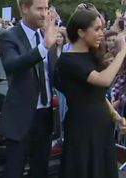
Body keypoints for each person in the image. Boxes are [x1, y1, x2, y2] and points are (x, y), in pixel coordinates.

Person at [54, 10, 126, 178]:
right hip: (83, 129)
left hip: (102, 127)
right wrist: (122, 52)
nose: (101, 33)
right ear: (81, 32)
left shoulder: (93, 57)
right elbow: (103, 80)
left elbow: (98, 95)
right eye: (97, 29)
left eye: (102, 29)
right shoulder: (68, 61)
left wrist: (116, 117)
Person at [0, 0, 58, 178]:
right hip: (21, 119)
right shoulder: (9, 36)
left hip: (45, 118)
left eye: (46, 8)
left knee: (40, 171)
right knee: (14, 171)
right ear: (24, 8)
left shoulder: (46, 36)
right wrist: (43, 47)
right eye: (39, 8)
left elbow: (53, 75)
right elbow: (12, 65)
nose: (44, 13)